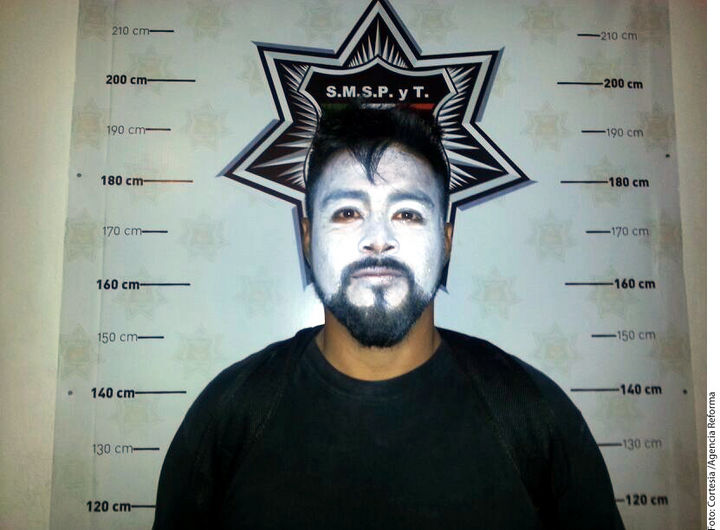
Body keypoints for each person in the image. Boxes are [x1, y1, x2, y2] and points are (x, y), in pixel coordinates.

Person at [153, 103, 625, 529]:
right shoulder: (229, 416)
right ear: (307, 238)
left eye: (407, 214)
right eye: (346, 213)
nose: (378, 239)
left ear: (446, 241)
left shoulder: (532, 416)